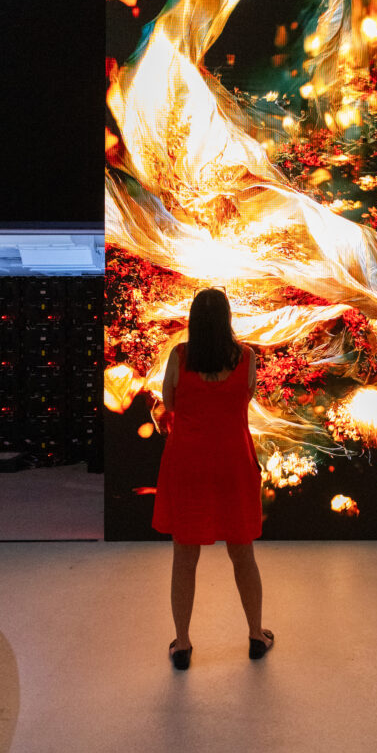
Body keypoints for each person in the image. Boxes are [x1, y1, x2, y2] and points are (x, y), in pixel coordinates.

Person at [152, 287, 274, 669]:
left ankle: (183, 645)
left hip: (188, 464)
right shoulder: (247, 358)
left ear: (193, 320)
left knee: (184, 557)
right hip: (233, 463)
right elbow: (245, 398)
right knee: (243, 553)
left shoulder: (179, 357)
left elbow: (170, 403)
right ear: (226, 320)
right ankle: (255, 635)